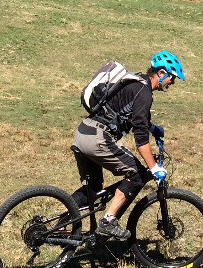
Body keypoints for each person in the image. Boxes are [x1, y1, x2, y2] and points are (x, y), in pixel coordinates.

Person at [70, 50, 185, 240]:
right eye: (172, 78)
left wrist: (153, 128)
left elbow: (131, 115)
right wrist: (154, 167)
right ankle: (107, 221)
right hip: (98, 138)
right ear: (162, 72)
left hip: (84, 132)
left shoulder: (136, 82)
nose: (172, 83)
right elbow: (140, 139)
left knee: (93, 189)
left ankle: (59, 226)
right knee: (138, 174)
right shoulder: (145, 93)